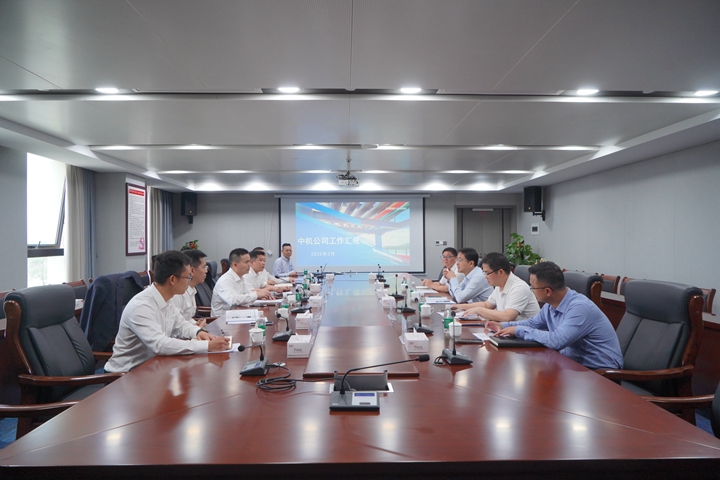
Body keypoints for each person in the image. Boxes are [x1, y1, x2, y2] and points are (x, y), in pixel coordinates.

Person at [104, 251, 229, 373]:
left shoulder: (166, 299)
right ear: (173, 279)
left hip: (153, 367)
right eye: (187, 277)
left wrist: (198, 332)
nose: (189, 281)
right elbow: (160, 344)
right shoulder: (141, 306)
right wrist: (207, 346)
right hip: (125, 375)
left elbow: (181, 325)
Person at [485, 261, 623, 370]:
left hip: (600, 372)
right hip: (573, 365)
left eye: (532, 287)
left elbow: (557, 340)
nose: (531, 290)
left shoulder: (580, 308)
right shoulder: (551, 305)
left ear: (548, 291)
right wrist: (503, 325)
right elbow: (532, 323)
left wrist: (518, 330)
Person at [460, 252, 540, 321]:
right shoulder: (500, 284)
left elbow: (507, 316)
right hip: (509, 329)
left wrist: (479, 310)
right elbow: (487, 305)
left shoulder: (519, 288)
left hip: (526, 332)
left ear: (500, 272)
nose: (485, 277)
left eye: (487, 273)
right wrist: (459, 307)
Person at [211, 248, 273, 316]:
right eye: (246, 262)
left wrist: (260, 297)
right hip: (222, 319)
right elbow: (233, 300)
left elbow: (247, 295)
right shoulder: (225, 280)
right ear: (235, 265)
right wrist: (257, 295)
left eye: (249, 261)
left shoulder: (241, 277)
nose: (250, 265)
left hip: (236, 315)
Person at [168, 249, 209, 326]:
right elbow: (175, 325)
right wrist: (196, 329)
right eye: (204, 267)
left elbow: (187, 318)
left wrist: (196, 324)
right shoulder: (177, 293)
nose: (206, 271)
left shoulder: (192, 289)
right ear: (192, 270)